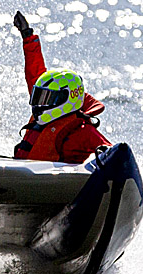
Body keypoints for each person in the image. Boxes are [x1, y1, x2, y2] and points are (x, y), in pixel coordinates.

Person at [10, 11, 112, 164]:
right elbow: (34, 74)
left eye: (47, 98)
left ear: (66, 99)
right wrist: (27, 36)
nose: (39, 103)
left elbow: (111, 154)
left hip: (56, 183)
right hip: (22, 174)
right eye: (39, 96)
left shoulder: (82, 130)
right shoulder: (44, 108)